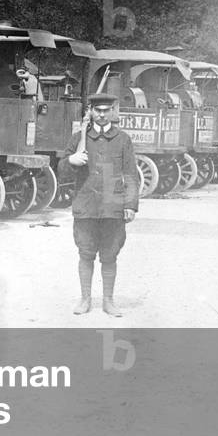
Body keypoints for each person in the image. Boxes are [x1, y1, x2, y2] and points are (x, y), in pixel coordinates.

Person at [58, 92, 140, 317]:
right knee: (85, 253)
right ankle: (85, 299)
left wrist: (130, 204)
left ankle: (108, 301)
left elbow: (131, 174)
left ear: (113, 111)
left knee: (110, 255)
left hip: (113, 205)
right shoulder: (79, 138)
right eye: (98, 110)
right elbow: (62, 170)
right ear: (91, 112)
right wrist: (71, 160)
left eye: (106, 110)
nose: (102, 115)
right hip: (86, 204)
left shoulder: (123, 139)